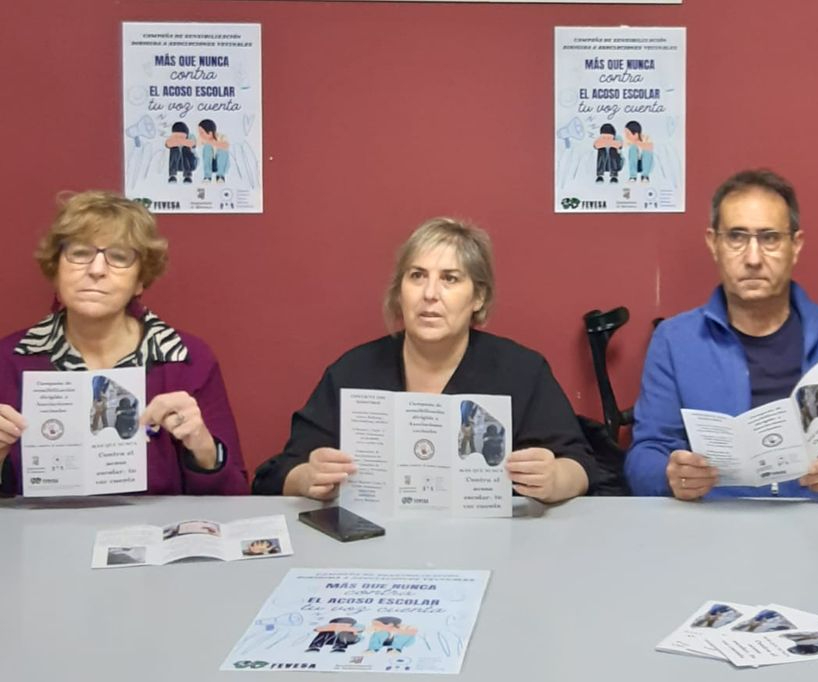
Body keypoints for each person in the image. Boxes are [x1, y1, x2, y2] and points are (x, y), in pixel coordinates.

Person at [252, 218, 603, 502]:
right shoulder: (353, 371)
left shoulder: (521, 371)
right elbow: (282, 471)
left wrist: (556, 478)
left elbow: (584, 466)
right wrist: (307, 478)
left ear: (478, 297)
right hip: (374, 550)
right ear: (399, 291)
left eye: (450, 279)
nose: (430, 294)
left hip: (493, 547)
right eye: (417, 276)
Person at [624, 169, 818, 500]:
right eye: (737, 237)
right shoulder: (675, 340)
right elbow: (644, 454)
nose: (753, 258)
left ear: (795, 245)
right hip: (711, 528)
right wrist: (669, 475)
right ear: (714, 244)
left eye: (769, 238)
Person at [0, 191, 247, 495]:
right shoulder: (8, 360)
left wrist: (204, 449)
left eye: (118, 257)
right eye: (79, 253)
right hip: (42, 535)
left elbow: (236, 497)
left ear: (140, 280)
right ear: (55, 268)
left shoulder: (187, 359)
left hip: (155, 535)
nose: (96, 270)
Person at [196, 119, 231, 183]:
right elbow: (195, 145)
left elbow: (226, 146)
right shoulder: (201, 138)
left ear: (210, 133)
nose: (200, 134)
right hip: (210, 165)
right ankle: (207, 177)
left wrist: (210, 142)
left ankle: (220, 176)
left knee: (222, 148)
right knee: (207, 147)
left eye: (201, 132)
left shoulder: (222, 136)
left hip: (222, 166)